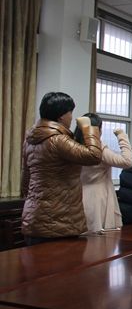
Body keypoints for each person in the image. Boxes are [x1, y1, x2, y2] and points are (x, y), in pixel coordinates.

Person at [21, 92, 103, 245]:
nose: (71, 117)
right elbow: (94, 156)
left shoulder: (30, 140)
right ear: (61, 116)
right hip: (59, 220)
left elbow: (26, 177)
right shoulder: (58, 140)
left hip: (33, 216)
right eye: (70, 112)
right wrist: (89, 128)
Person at [75, 113, 132, 233]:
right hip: (98, 198)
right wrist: (122, 136)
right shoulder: (99, 150)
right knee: (99, 240)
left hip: (78, 196)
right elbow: (127, 161)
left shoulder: (74, 146)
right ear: (97, 130)